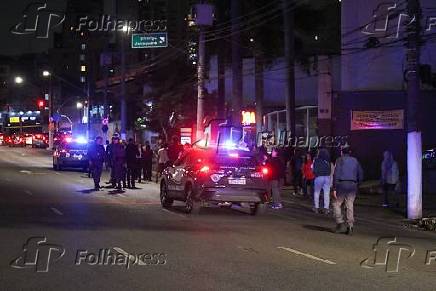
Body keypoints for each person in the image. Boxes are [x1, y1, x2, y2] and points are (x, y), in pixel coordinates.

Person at [332, 146, 364, 235]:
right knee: (350, 205)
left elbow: (336, 174)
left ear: (342, 152)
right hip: (352, 185)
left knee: (336, 203)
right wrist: (358, 184)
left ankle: (340, 222)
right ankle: (350, 226)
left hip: (342, 184)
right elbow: (360, 173)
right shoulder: (355, 161)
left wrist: (334, 187)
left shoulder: (339, 160)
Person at [312, 148, 332, 214]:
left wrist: (316, 174)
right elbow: (330, 170)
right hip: (327, 177)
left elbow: (313, 169)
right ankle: (326, 208)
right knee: (326, 193)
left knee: (317, 192)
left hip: (319, 177)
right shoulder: (328, 161)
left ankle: (316, 207)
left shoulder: (316, 160)